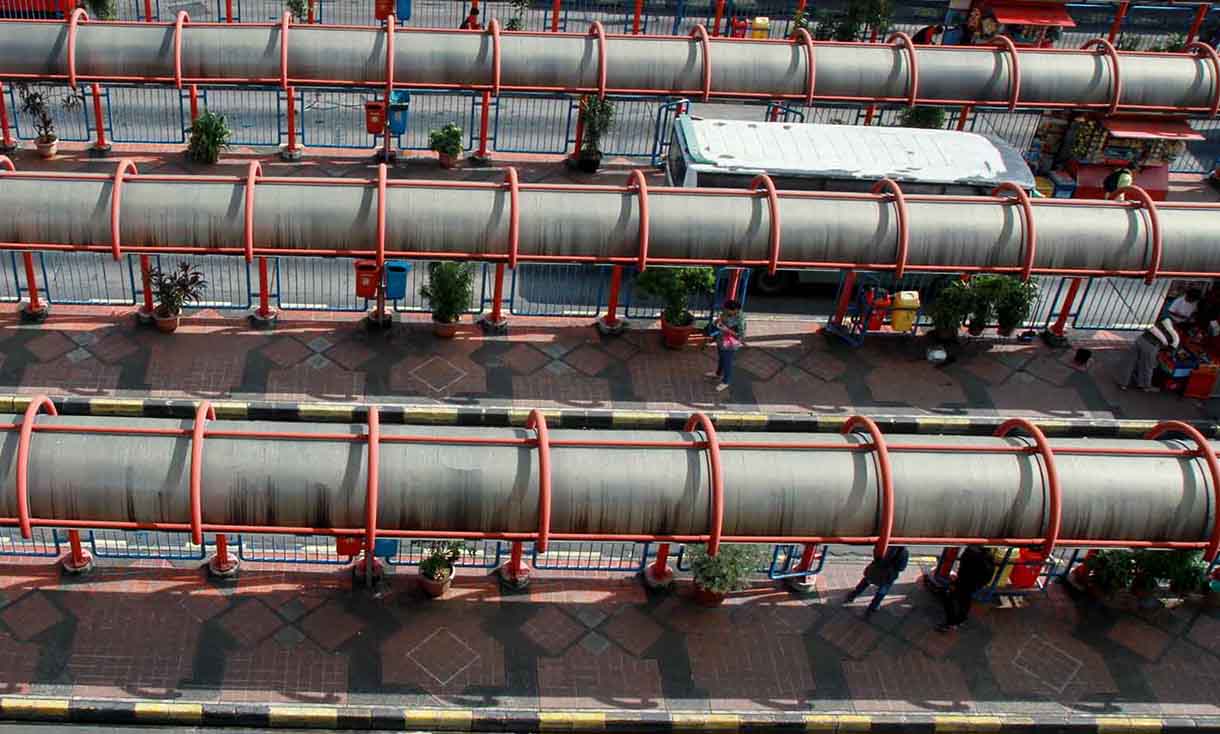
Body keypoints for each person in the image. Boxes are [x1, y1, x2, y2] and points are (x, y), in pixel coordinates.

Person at [937, 544, 995, 633]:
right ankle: (960, 619)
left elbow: (965, 571)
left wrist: (956, 584)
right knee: (964, 598)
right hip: (975, 581)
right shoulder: (986, 555)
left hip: (968, 581)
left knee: (948, 595)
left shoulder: (972, 555)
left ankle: (952, 622)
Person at [844, 545, 909, 617]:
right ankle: (873, 606)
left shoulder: (885, 545)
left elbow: (876, 552)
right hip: (888, 576)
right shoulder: (904, 552)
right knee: (882, 592)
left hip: (875, 570)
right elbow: (901, 568)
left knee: (865, 582)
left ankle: (852, 596)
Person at [1118, 316, 1179, 392]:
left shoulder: (1164, 321)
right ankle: (1145, 386)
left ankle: (1122, 383)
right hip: (1151, 346)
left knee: (1129, 362)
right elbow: (1169, 350)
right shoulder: (1175, 338)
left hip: (1141, 339)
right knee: (1147, 367)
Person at [704, 299, 745, 393]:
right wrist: (717, 322)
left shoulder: (740, 319)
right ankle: (718, 373)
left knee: (727, 362)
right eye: (725, 310)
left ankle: (726, 381)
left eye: (727, 310)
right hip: (721, 340)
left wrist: (727, 329)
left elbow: (740, 335)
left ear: (735, 310)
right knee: (721, 358)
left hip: (730, 344)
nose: (725, 312)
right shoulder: (727, 312)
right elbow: (720, 321)